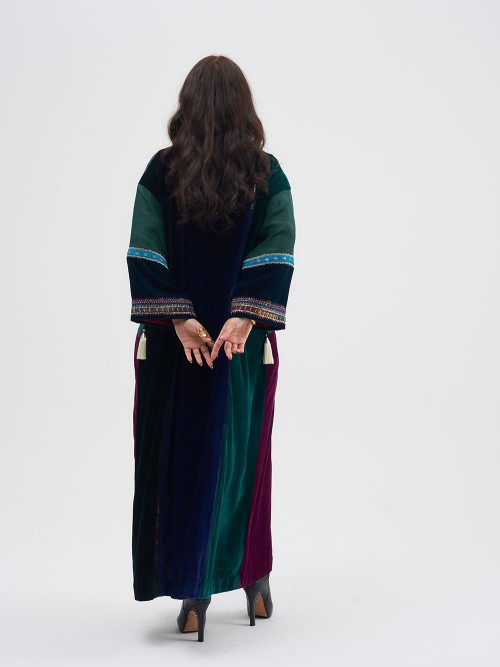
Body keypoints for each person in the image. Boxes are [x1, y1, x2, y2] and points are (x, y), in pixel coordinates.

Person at [126, 55, 296, 642]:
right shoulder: (267, 174)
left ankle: (193, 594)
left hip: (174, 352)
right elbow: (279, 245)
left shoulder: (161, 172)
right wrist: (244, 319)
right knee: (247, 462)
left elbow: (144, 249)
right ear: (244, 108)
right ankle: (256, 583)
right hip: (244, 355)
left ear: (187, 106)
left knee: (177, 461)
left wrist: (180, 319)